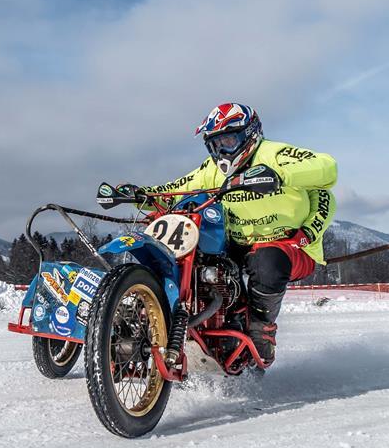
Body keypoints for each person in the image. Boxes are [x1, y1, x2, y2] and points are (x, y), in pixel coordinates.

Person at [118, 103, 337, 364]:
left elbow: (327, 167)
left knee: (266, 260)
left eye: (229, 140)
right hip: (236, 241)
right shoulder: (211, 171)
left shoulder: (275, 154)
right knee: (199, 257)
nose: (222, 151)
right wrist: (141, 195)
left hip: (290, 242)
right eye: (215, 144)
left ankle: (262, 328)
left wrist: (279, 174)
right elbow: (176, 190)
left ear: (250, 135)